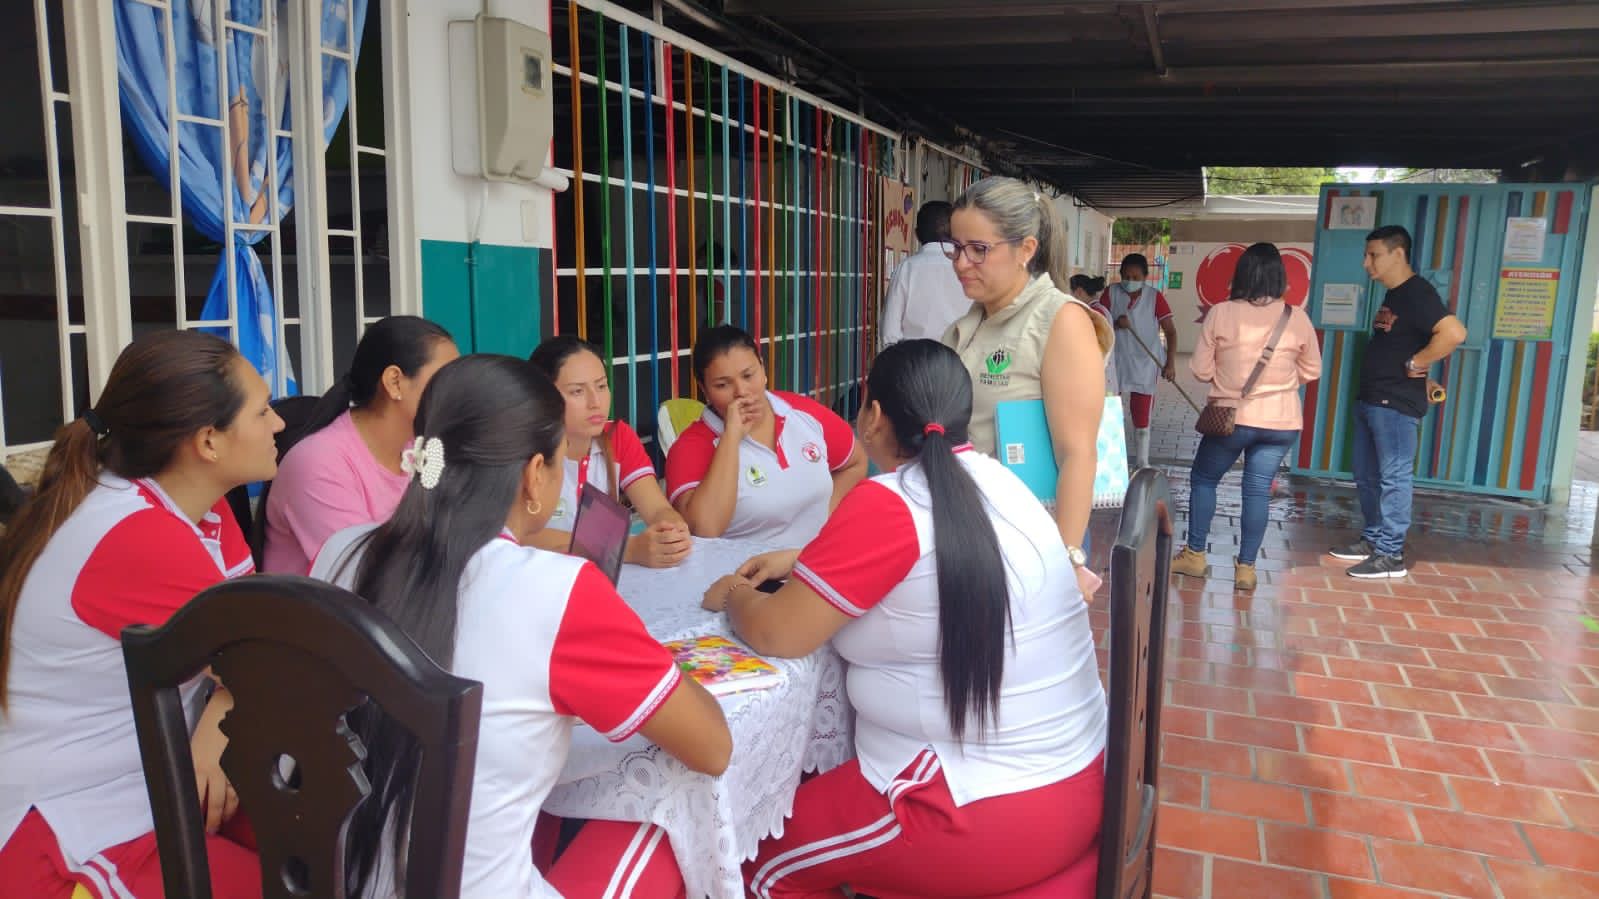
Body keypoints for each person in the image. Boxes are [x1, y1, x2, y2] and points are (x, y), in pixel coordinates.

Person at [310, 354, 731, 898]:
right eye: (559, 461)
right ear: (534, 475)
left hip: (342, 879)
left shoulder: (341, 553)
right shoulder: (554, 588)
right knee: (667, 818)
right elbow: (711, 747)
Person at [702, 340, 1106, 898]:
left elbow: (776, 632)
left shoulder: (887, 502)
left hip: (978, 804)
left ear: (872, 416)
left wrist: (734, 595)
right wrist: (802, 561)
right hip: (1078, 778)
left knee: (751, 863)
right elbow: (934, 560)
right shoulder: (1000, 483)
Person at [0, 330, 282, 898]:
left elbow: (255, 646)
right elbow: (277, 663)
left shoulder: (200, 511)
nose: (279, 423)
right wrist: (232, 697)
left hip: (145, 786)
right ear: (207, 441)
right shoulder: (136, 536)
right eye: (263, 410)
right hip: (67, 828)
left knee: (319, 842)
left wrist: (223, 707)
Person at [942, 176, 1113, 598]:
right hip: (968, 530)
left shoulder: (1061, 320)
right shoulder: (971, 322)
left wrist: (1067, 557)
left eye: (979, 249)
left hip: (1029, 541)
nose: (962, 263)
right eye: (956, 247)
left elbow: (1078, 452)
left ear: (1026, 249)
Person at [1171, 243, 1322, 592]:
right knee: (1256, 491)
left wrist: (1228, 379)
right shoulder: (1296, 317)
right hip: (1281, 422)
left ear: (1240, 275)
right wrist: (1282, 385)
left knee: (1204, 480)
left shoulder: (1221, 313)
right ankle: (1246, 570)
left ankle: (1194, 556)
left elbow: (1199, 369)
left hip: (1231, 419)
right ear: (1280, 277)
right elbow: (1312, 370)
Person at [261, 316, 458, 574]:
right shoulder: (319, 462)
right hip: (326, 613)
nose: (458, 392)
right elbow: (367, 576)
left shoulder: (426, 448)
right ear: (394, 382)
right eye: (445, 380)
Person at [1329, 225, 1467, 579]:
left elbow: (1453, 333)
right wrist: (1419, 363)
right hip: (1374, 399)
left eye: (1373, 255)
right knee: (1367, 476)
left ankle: (1390, 555)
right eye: (1366, 255)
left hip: (1395, 403)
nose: (1366, 263)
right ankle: (1374, 539)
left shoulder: (1417, 292)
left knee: (1393, 477)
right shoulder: (1395, 296)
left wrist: (1419, 363)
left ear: (1398, 254)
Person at [666, 325, 867, 546]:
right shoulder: (690, 447)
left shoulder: (801, 413)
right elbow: (704, 530)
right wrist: (731, 437)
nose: (741, 391)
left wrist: (823, 518)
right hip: (743, 576)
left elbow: (855, 463)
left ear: (763, 370)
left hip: (814, 565)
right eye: (722, 385)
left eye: (748, 375)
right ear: (704, 390)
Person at [528, 336, 692, 568]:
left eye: (602, 386)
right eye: (577, 391)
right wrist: (625, 548)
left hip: (598, 580)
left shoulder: (617, 437)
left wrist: (671, 530)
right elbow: (522, 536)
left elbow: (656, 508)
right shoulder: (524, 450)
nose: (596, 402)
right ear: (542, 397)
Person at [1100, 253, 1179, 469]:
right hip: (1116, 361)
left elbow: (1170, 332)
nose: (1129, 280)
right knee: (1110, 408)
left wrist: (1170, 363)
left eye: (1135, 276)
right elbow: (1098, 323)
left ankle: (1142, 462)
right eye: (1126, 276)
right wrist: (1115, 323)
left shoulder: (1155, 298)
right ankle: (1110, 458)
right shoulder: (1111, 292)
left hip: (1146, 363)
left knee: (1141, 413)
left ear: (1145, 276)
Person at [879, 201, 972, 347]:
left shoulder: (906, 269)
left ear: (916, 235)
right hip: (961, 362)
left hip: (915, 363)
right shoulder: (970, 268)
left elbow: (889, 332)